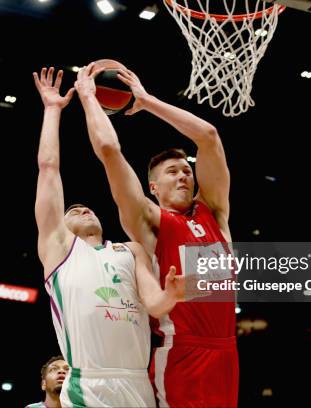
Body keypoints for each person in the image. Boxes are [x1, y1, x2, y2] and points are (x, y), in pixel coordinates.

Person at [75, 62, 238, 407]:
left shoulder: (216, 213)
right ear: (153, 186)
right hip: (182, 354)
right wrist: (89, 99)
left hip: (227, 354)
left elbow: (208, 135)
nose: (183, 176)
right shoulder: (150, 221)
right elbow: (109, 151)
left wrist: (147, 101)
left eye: (186, 170)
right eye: (172, 171)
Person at [33, 66, 184, 407]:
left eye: (87, 207)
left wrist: (171, 295)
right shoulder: (59, 249)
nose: (83, 208)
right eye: (73, 210)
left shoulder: (130, 250)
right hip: (90, 384)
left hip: (137, 383)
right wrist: (53, 110)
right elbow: (48, 168)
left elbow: (155, 303)